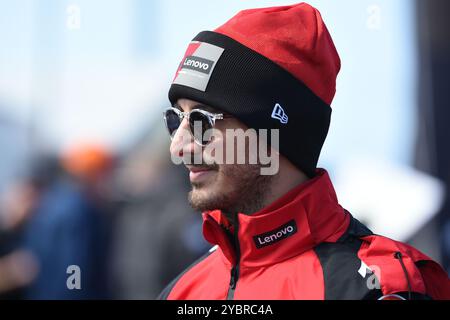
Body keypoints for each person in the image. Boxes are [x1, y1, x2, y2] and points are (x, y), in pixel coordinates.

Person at [158, 3, 450, 300]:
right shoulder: (182, 292)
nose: (179, 147)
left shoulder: (381, 287)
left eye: (201, 121)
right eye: (175, 119)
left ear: (274, 130)